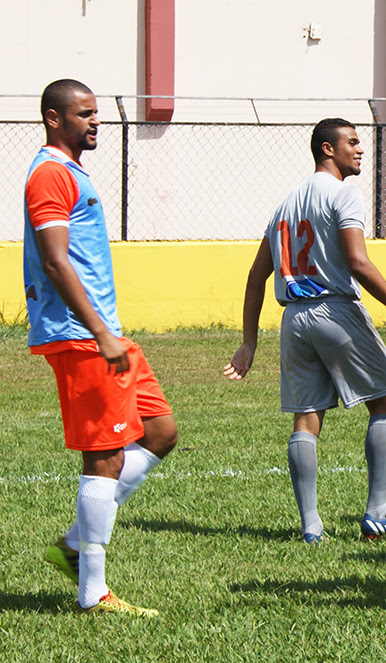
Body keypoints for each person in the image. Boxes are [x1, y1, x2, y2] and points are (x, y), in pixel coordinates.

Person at [223, 118, 386, 545]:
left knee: (307, 416)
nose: (360, 149)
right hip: (334, 310)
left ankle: (311, 526)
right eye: (352, 142)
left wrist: (249, 342)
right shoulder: (343, 195)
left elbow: (255, 275)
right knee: (385, 402)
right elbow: (357, 262)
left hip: (294, 320)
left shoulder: (285, 204)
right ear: (327, 149)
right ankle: (376, 513)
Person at [27, 79, 178, 616]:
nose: (95, 122)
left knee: (161, 432)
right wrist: (100, 332)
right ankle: (92, 591)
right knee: (105, 456)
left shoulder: (72, 172)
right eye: (84, 114)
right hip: (83, 335)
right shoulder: (48, 173)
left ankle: (72, 542)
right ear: (53, 118)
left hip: (104, 333)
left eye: (96, 113)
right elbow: (55, 261)